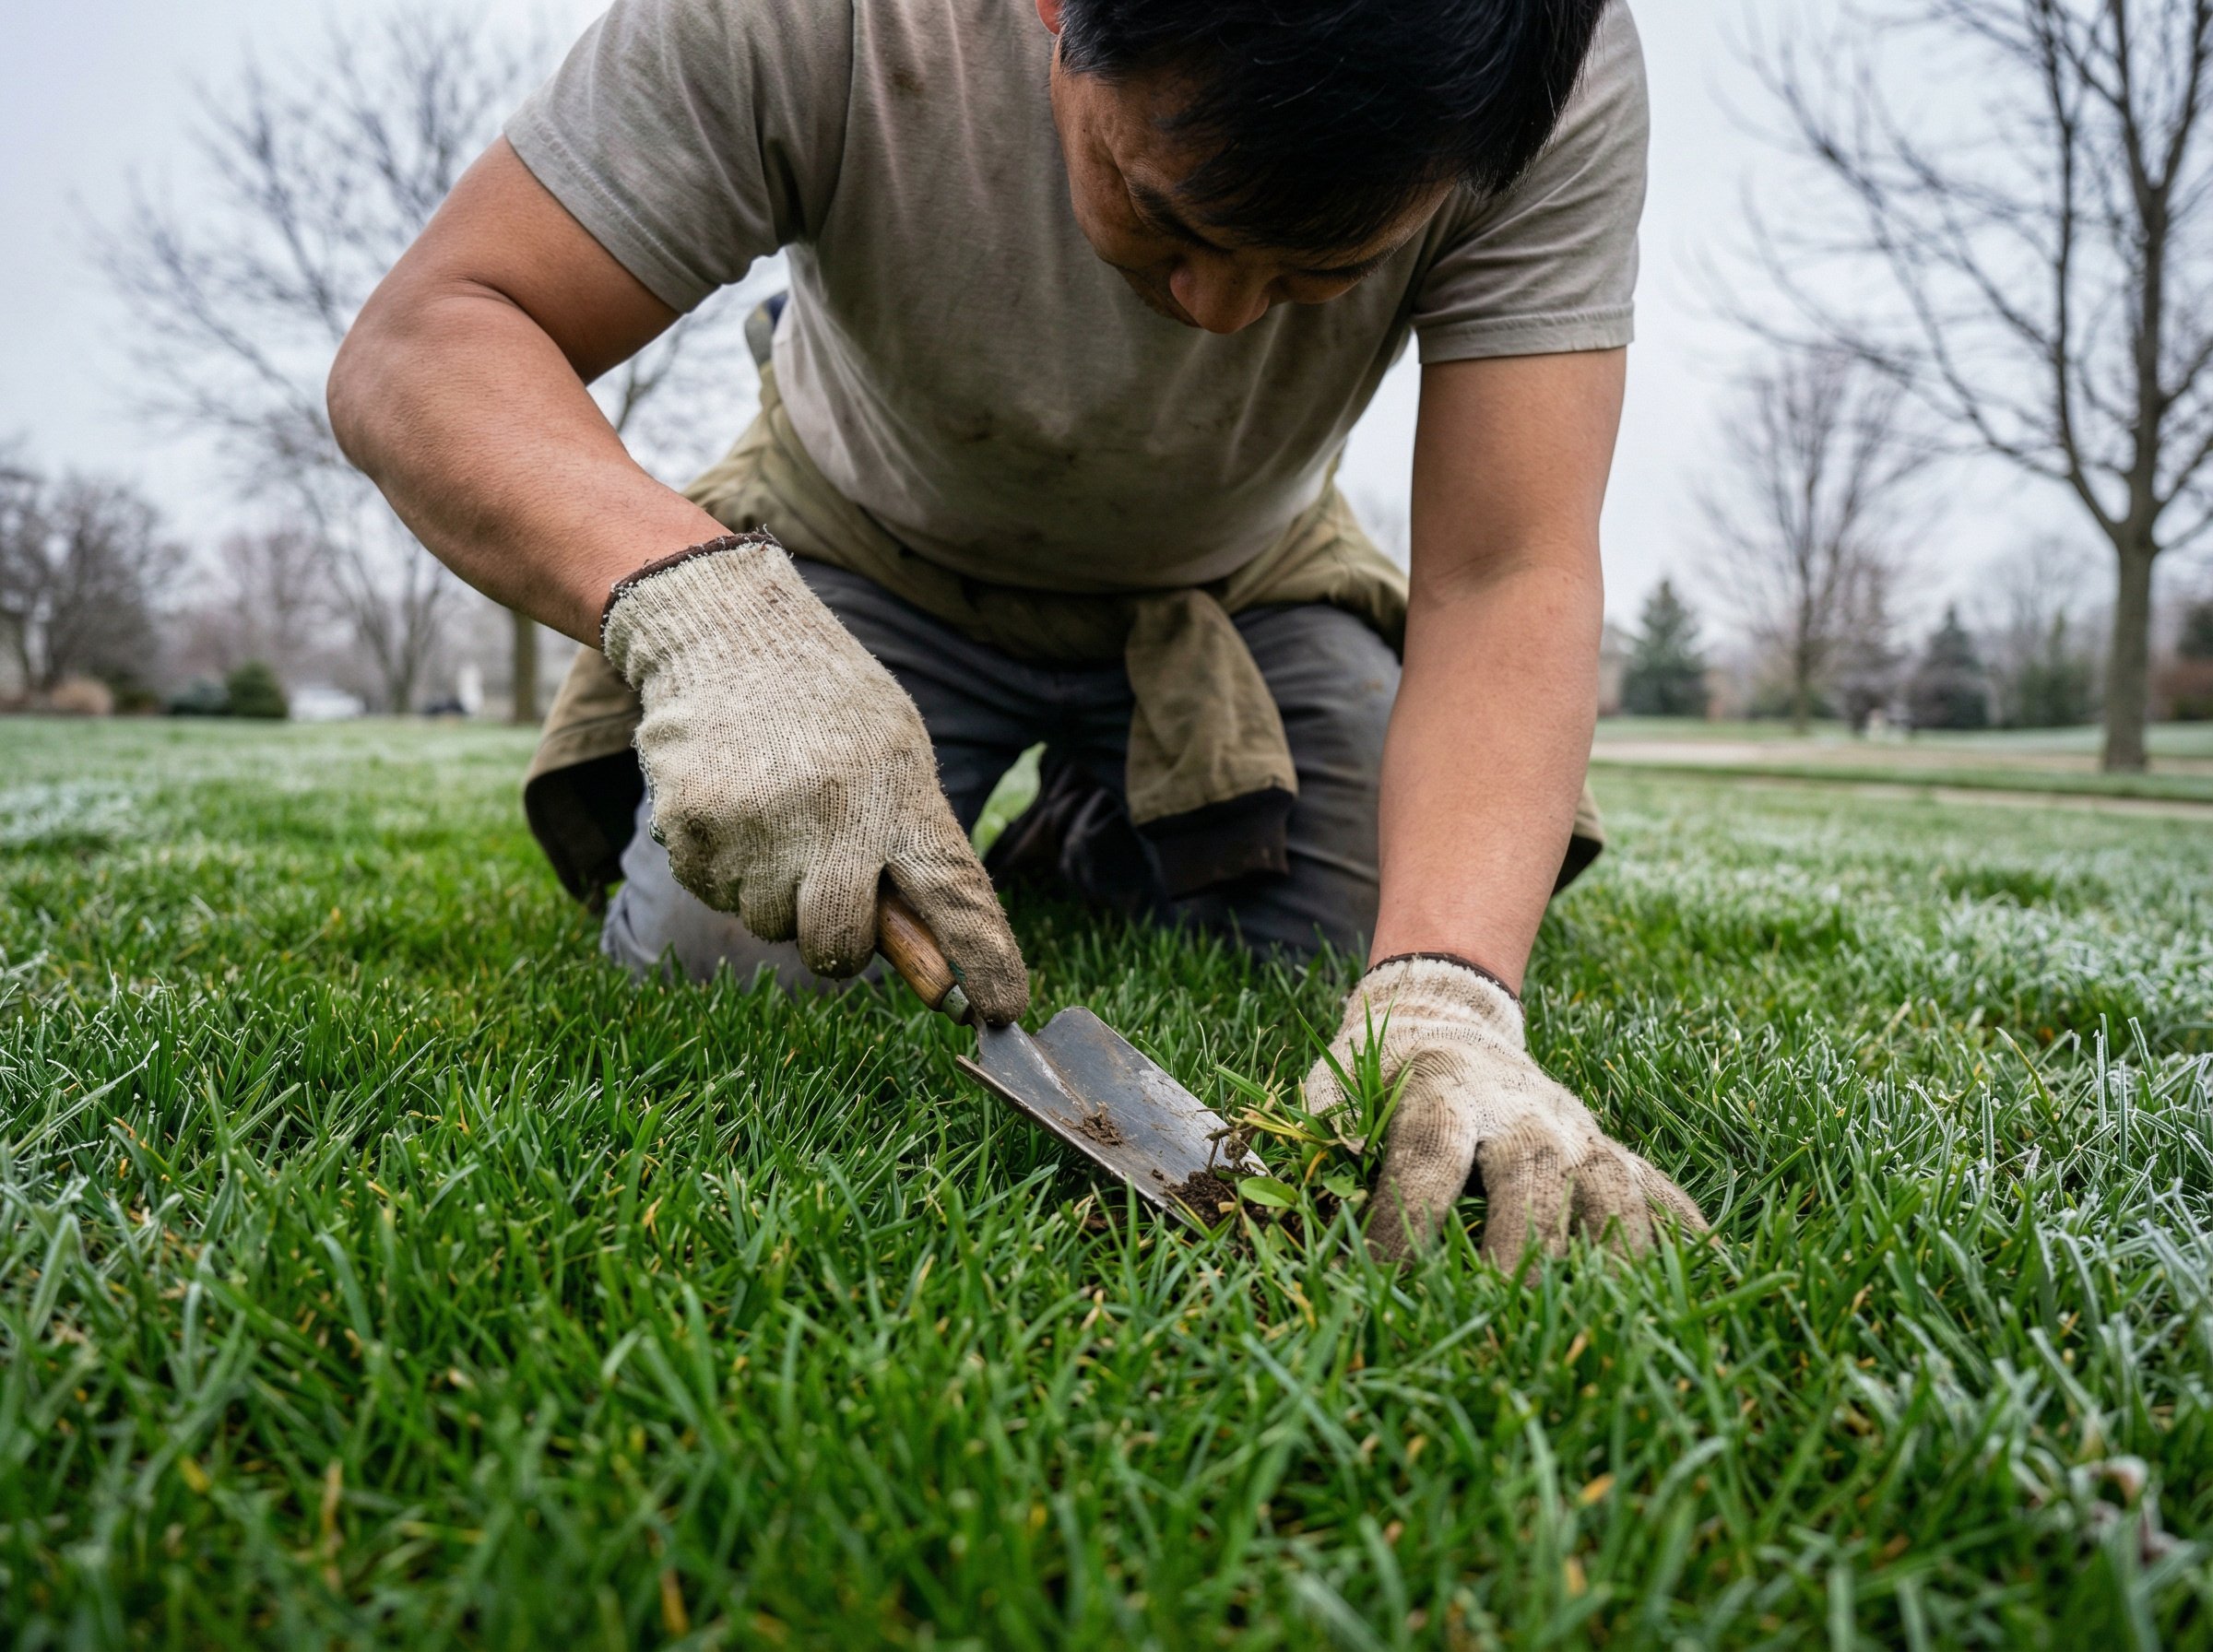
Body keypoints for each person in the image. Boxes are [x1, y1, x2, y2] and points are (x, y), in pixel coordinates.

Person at [326, 0, 1707, 1264]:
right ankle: (960, 757)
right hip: (860, 547)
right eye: (1167, 216)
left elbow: (1507, 566)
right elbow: (427, 341)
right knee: (727, 962)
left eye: (1312, 274)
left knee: (1355, 934)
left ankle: (1086, 831)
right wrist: (705, 617)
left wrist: (1449, 989)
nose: (1220, 317)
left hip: (1233, 586)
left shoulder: (1542, 71)